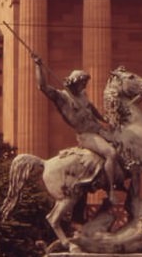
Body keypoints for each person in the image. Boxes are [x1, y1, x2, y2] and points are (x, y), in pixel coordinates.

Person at [33, 55, 119, 203]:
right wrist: (39, 67)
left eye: (85, 83)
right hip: (86, 136)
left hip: (98, 130)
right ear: (75, 82)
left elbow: (91, 108)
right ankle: (111, 190)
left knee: (124, 144)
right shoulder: (62, 97)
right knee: (111, 153)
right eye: (83, 82)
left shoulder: (83, 95)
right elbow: (42, 87)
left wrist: (104, 119)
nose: (85, 85)